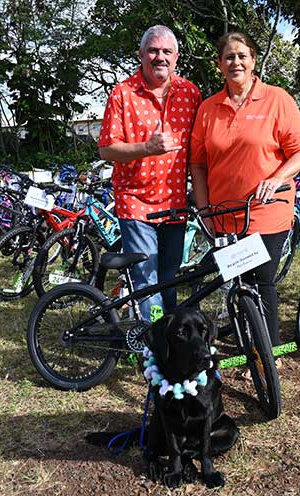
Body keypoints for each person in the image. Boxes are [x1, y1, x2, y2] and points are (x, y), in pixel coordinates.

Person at [190, 31, 300, 347]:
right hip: (224, 215)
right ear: (220, 64)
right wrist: (204, 210)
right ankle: (248, 342)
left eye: (242, 56)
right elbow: (199, 164)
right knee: (240, 282)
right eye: (229, 57)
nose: (236, 62)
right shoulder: (207, 109)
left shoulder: (277, 99)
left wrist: (277, 177)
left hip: (267, 211)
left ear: (253, 60)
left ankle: (266, 355)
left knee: (261, 280)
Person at [98, 25, 201, 320]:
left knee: (169, 278)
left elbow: (200, 147)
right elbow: (106, 149)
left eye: (166, 51)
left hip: (175, 204)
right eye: (153, 51)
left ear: (176, 57)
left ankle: (168, 338)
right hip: (135, 203)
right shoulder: (123, 93)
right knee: (146, 279)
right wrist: (146, 148)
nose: (160, 57)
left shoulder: (190, 93)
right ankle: (153, 349)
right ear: (141, 54)